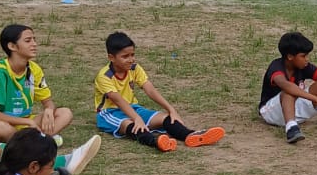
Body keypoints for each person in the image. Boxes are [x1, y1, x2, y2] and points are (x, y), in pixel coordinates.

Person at [96, 32, 225, 151]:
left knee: (165, 119)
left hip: (133, 108)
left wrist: (171, 110)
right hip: (110, 112)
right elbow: (118, 101)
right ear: (111, 57)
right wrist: (137, 118)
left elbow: (150, 89)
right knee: (130, 125)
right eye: (125, 56)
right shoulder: (104, 76)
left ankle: (190, 135)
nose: (131, 59)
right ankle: (156, 142)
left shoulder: (134, 68)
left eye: (132, 55)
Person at [0, 24, 74, 142]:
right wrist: (27, 122)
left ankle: (35, 140)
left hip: (24, 122)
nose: (34, 44)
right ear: (12, 46)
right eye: (28, 41)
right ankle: (37, 141)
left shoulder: (34, 69)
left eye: (34, 40)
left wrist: (49, 110)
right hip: (1, 123)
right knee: (1, 128)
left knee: (65, 113)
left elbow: (47, 101)